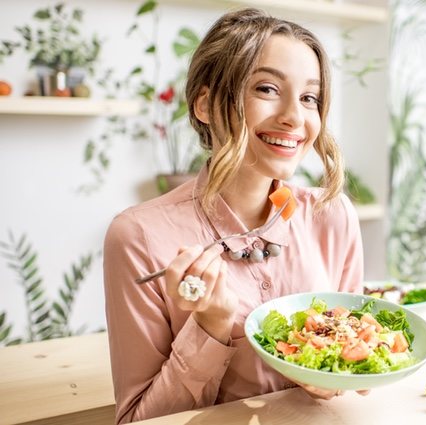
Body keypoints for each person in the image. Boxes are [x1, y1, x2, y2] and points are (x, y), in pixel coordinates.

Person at [103, 8, 364, 424]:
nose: (295, 117)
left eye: (309, 97)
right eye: (266, 88)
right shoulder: (138, 236)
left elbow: (359, 371)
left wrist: (336, 375)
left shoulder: (332, 216)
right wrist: (210, 326)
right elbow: (136, 420)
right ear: (205, 105)